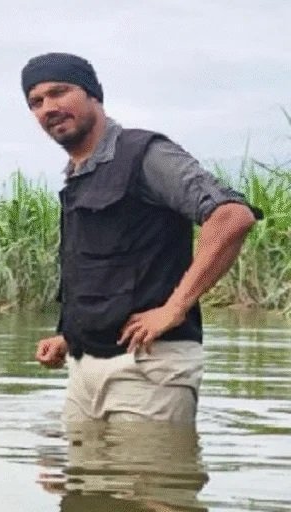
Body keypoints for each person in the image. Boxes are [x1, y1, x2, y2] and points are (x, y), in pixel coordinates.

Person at [22, 52, 260, 423]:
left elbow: (231, 217)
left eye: (59, 92)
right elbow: (108, 272)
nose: (48, 107)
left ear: (93, 95)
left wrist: (174, 308)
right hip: (84, 369)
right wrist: (69, 337)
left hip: (150, 365)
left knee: (147, 463)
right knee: (80, 463)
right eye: (36, 102)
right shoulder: (77, 176)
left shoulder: (145, 155)